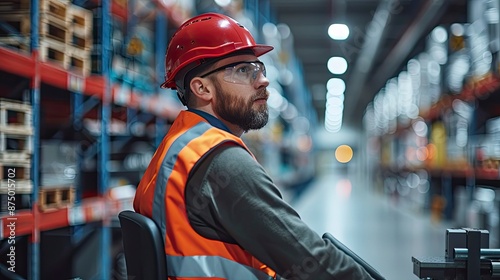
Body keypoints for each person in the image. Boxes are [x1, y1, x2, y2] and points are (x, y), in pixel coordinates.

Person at [133, 12, 375, 280]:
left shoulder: (177, 148)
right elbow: (313, 261)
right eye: (242, 70)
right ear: (202, 88)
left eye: (259, 68)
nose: (263, 80)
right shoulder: (221, 161)